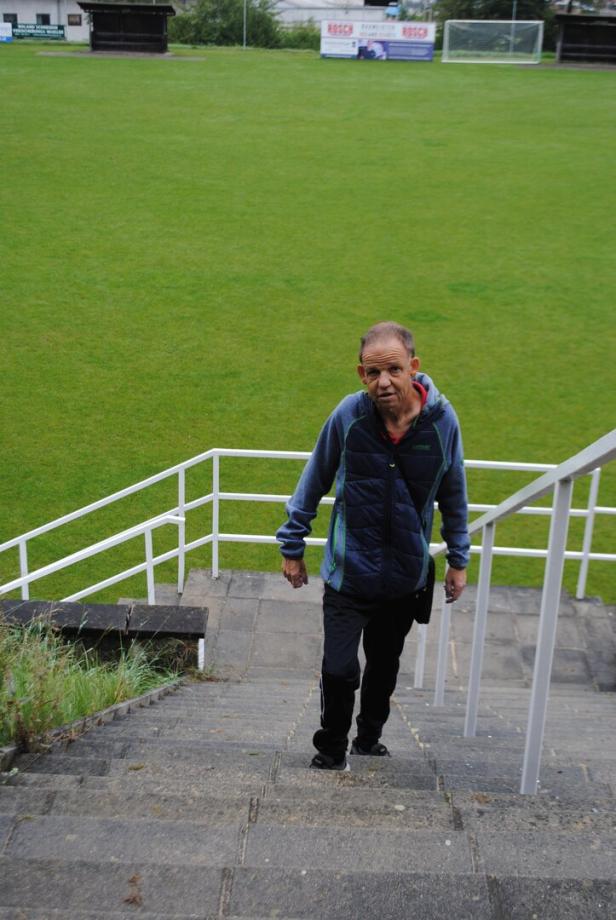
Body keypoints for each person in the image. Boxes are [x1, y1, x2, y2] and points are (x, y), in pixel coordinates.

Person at [276, 321, 470, 770]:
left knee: (383, 672)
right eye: (372, 372)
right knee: (339, 670)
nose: (383, 382)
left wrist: (458, 560)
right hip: (348, 574)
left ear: (413, 368)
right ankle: (330, 747)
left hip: (404, 580)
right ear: (361, 374)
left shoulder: (443, 423)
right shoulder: (349, 415)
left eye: (394, 370)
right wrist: (292, 545)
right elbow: (315, 478)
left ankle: (368, 738)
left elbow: (454, 495)